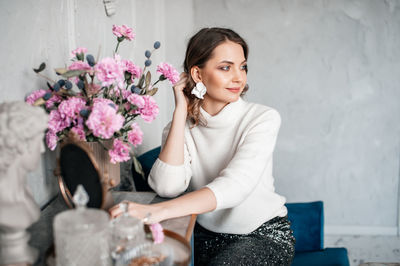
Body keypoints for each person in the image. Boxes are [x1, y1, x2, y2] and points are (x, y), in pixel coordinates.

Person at [110, 27, 295, 265]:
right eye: (226, 67)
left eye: (243, 66)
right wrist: (180, 113)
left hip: (261, 235)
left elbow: (235, 186)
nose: (239, 77)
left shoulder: (262, 118)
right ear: (197, 74)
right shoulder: (179, 128)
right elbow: (167, 187)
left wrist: (156, 211)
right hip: (202, 236)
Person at [0, 101, 48, 265]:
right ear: (21, 145)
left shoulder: (24, 192)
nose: (42, 149)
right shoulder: (4, 204)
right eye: (38, 141)